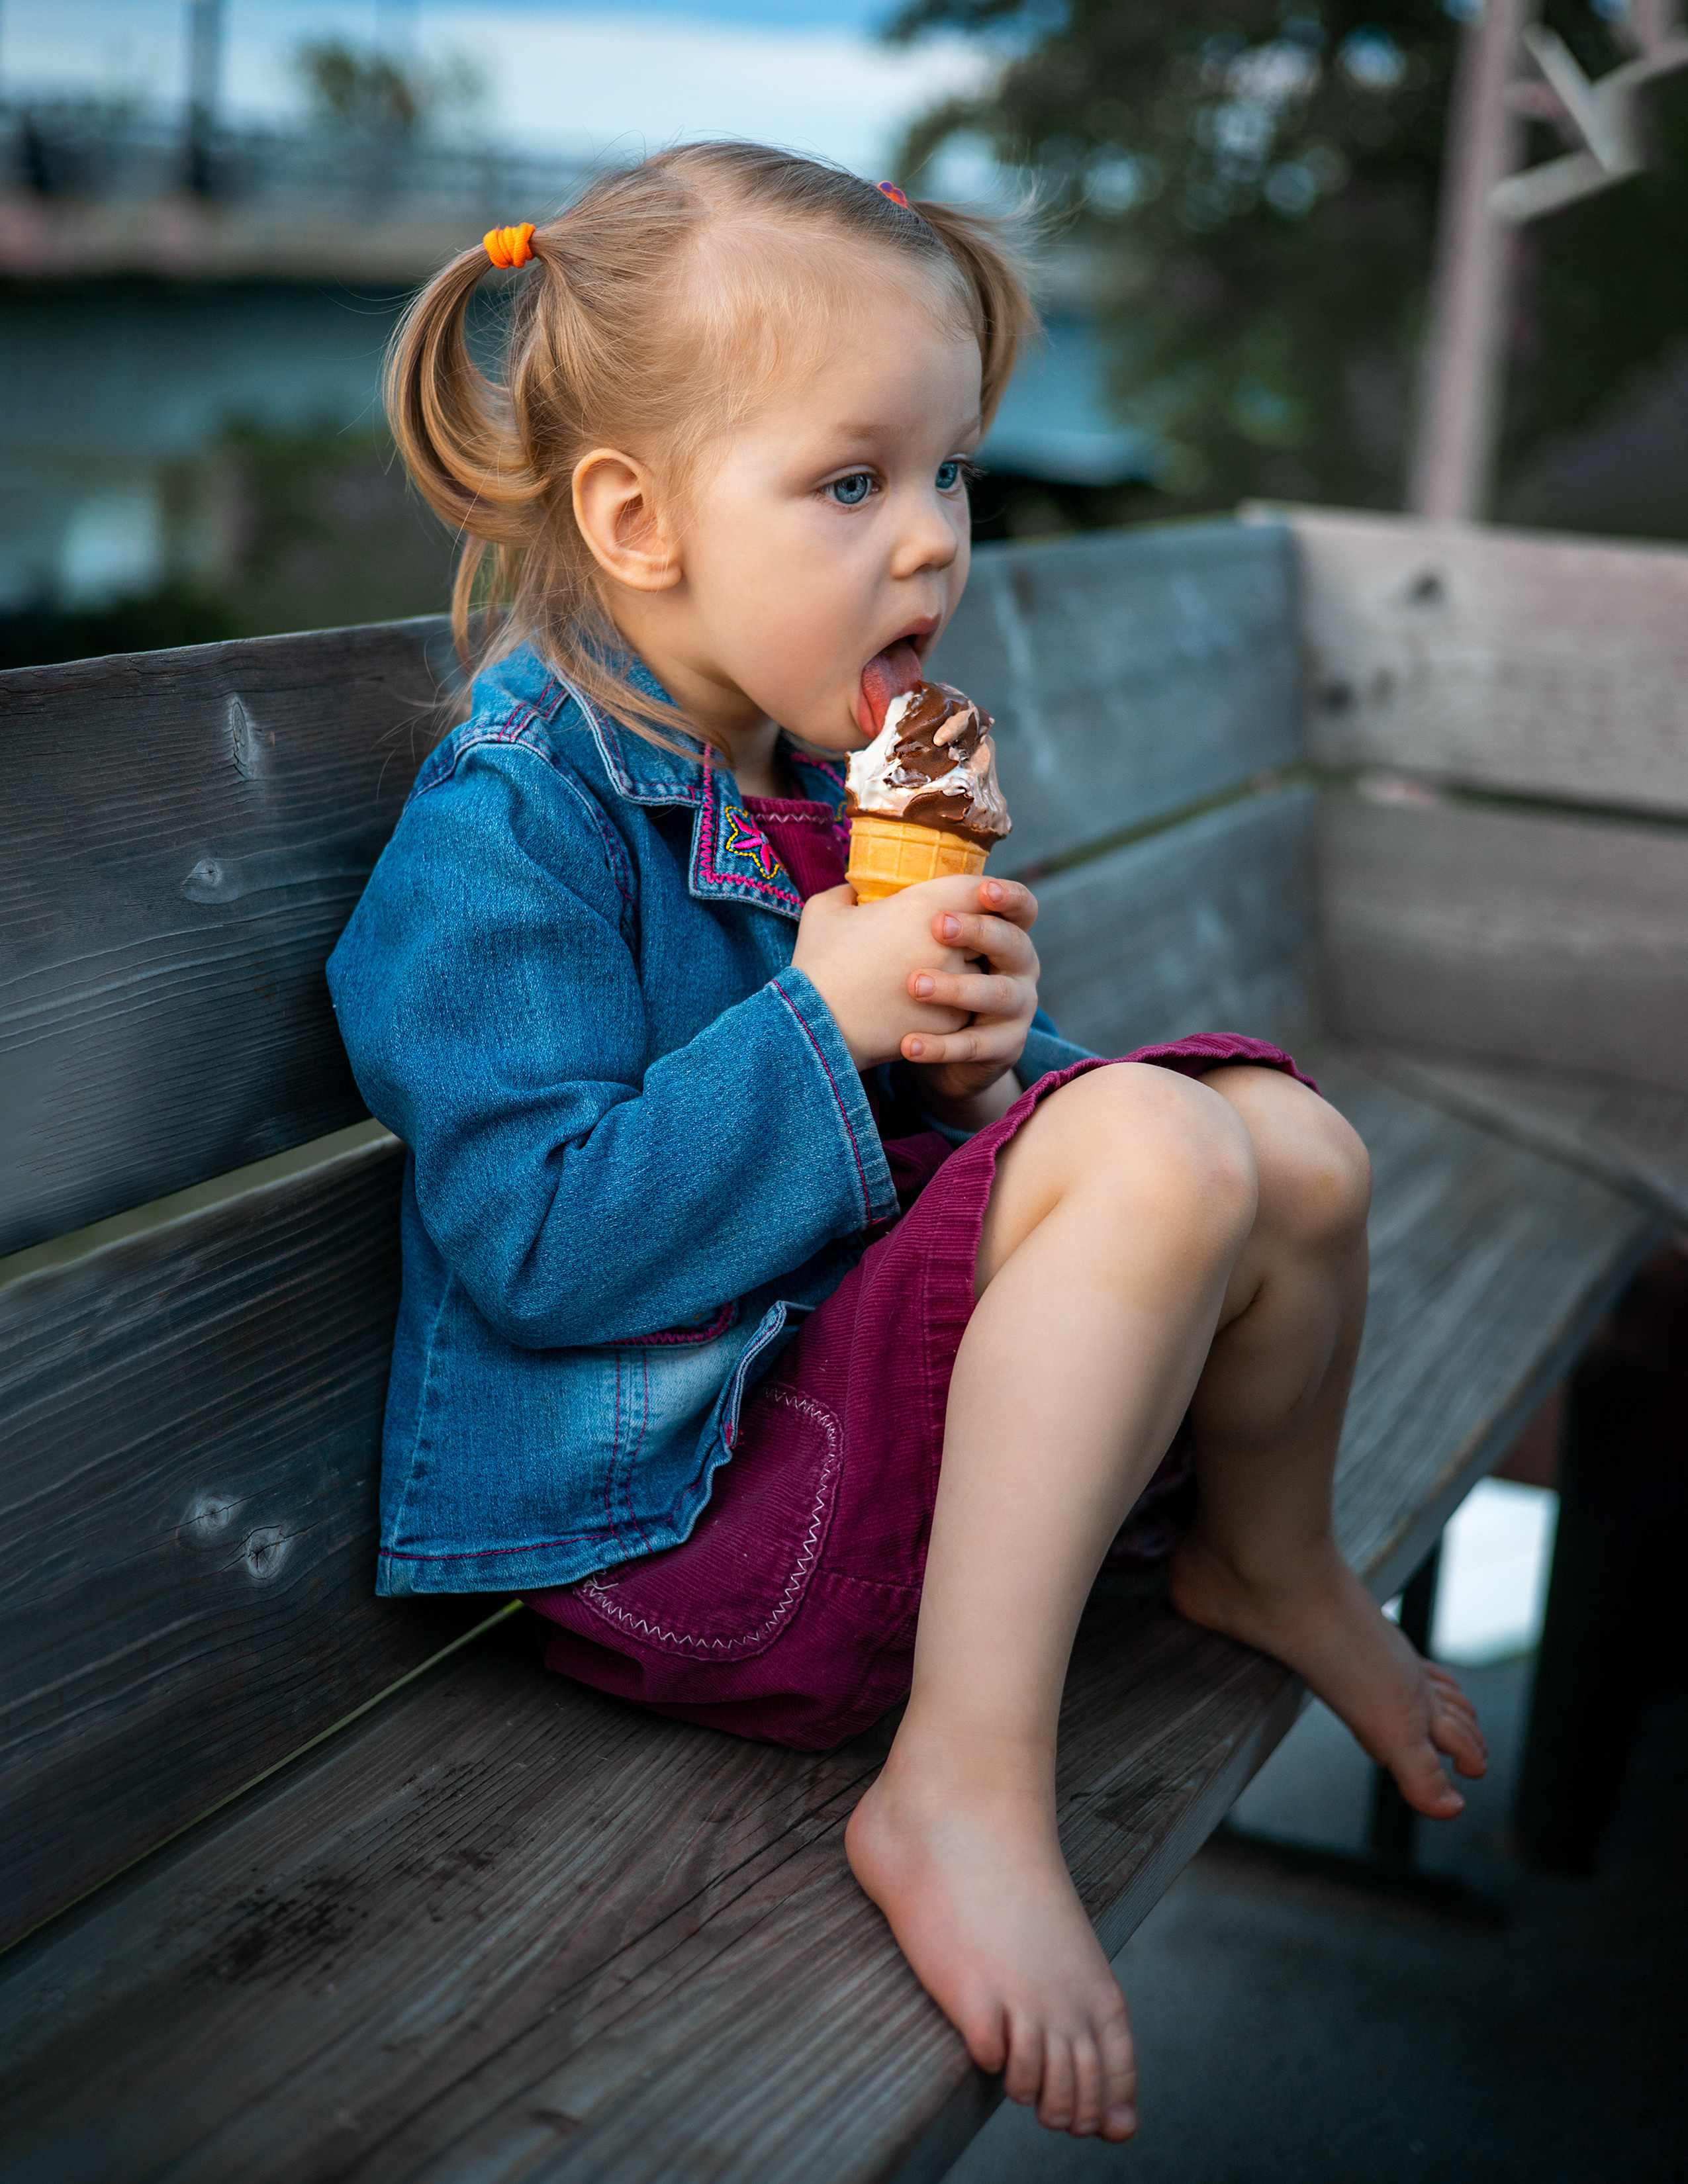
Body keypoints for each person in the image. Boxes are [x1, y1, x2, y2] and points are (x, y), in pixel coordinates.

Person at [327, 143, 1486, 2146]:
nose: (936, 542)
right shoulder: (508, 825)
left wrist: (959, 1067)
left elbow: (942, 1157)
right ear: (637, 517)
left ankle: (1265, 1555)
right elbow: (536, 1242)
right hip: (680, 1536)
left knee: (1281, 1143)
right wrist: (823, 1021)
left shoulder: (817, 768)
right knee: (1160, 1149)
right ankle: (956, 1781)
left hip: (850, 1444)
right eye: (852, 483)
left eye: (949, 472)